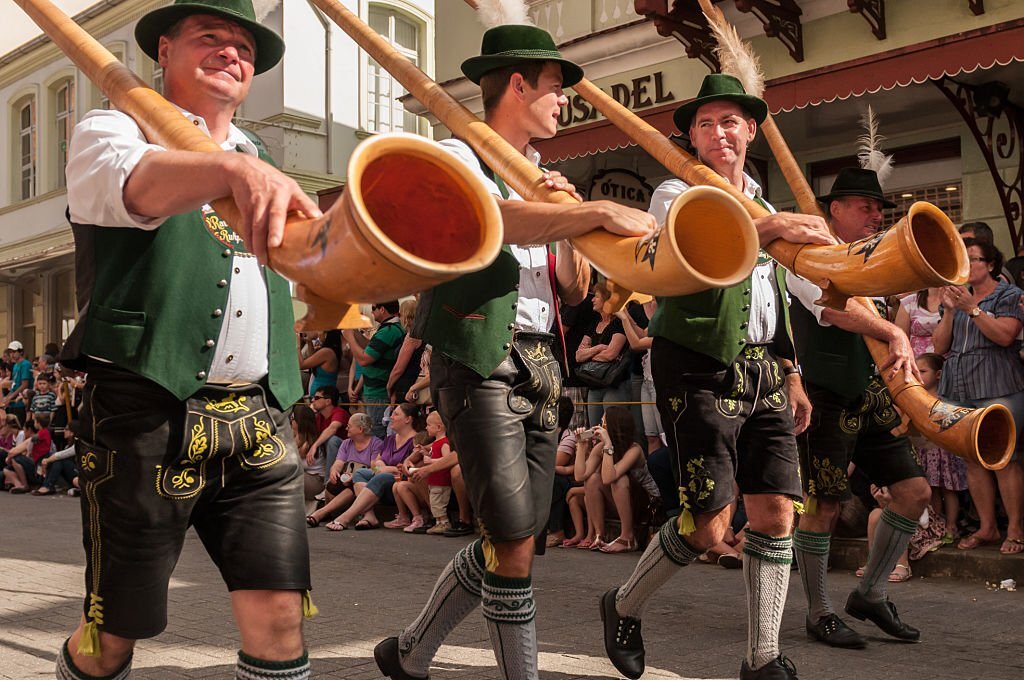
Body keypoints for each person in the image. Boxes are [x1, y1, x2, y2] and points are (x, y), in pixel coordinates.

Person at [374, 22, 657, 680]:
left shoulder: (544, 177)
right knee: (511, 542)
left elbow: (574, 286)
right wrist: (585, 214)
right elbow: (491, 219)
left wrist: (567, 214)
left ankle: (412, 651)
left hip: (542, 363)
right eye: (556, 88)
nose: (564, 101)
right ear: (520, 84)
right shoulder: (457, 154)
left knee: (522, 540)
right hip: (477, 354)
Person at [56, 2, 321, 678]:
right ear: (165, 49)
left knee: (280, 618)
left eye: (243, 47)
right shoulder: (110, 128)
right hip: (145, 411)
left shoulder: (258, 154)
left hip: (259, 416)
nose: (232, 53)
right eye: (212, 38)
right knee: (112, 636)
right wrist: (227, 171)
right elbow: (136, 190)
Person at [599, 74, 834, 680]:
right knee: (709, 526)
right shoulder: (675, 192)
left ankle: (762, 659)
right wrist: (776, 227)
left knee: (778, 511)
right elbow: (694, 256)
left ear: (750, 130)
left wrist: (793, 370)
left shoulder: (762, 197)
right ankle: (623, 604)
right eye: (706, 124)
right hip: (696, 365)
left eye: (729, 121)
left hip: (764, 368)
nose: (718, 132)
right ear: (694, 137)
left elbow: (775, 294)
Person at [787, 167, 930, 649]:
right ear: (836, 209)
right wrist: (892, 331)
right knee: (823, 504)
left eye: (878, 208)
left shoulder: (876, 261)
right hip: (823, 393)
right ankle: (819, 611)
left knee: (914, 491)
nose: (876, 215)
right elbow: (826, 310)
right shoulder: (804, 255)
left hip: (871, 394)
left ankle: (869, 593)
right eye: (865, 206)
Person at [933, 238, 1024, 556]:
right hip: (959, 387)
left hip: (998, 384)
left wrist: (972, 309)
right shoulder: (955, 298)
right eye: (964, 259)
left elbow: (1004, 336)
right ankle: (987, 527)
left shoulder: (1010, 295)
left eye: (973, 259)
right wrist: (949, 312)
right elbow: (940, 347)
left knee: (1004, 460)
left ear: (991, 265)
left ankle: (1015, 528)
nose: (967, 265)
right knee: (972, 460)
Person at [327, 403, 422, 531]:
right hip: (385, 480)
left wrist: (385, 469)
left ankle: (346, 517)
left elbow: (408, 469)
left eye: (396, 414)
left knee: (381, 476)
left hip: (402, 484)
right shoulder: (390, 440)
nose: (391, 417)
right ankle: (369, 515)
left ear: (408, 419)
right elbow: (375, 465)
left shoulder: (417, 440)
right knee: (359, 473)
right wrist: (385, 468)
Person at [576, 407, 659, 553]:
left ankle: (628, 537)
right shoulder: (600, 447)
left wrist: (608, 445)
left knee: (619, 480)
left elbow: (609, 478)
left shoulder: (634, 449)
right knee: (592, 480)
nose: (600, 426)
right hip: (620, 501)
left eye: (603, 422)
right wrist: (581, 447)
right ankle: (599, 535)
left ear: (613, 426)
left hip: (644, 504)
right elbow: (580, 476)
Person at [913, 353, 967, 543]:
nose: (918, 375)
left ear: (938, 375)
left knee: (948, 489)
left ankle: (952, 524)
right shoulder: (914, 398)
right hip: (923, 450)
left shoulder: (945, 400)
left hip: (942, 451)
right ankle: (936, 524)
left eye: (923, 371)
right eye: (915, 371)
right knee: (931, 489)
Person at [306, 413, 383, 527]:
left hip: (365, 481)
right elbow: (338, 463)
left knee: (352, 487)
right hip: (347, 480)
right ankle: (328, 513)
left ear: (360, 429)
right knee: (332, 485)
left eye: (349, 426)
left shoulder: (376, 444)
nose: (346, 428)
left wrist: (360, 473)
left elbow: (375, 467)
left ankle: (320, 513)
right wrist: (334, 471)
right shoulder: (346, 443)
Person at [344, 301, 406, 438]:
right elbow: (370, 348)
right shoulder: (389, 329)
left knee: (376, 436)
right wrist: (354, 332)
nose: (371, 312)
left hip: (379, 393)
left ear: (382, 309)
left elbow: (364, 359)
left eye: (373, 308)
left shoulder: (388, 331)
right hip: (376, 391)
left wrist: (350, 338)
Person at [575, 279, 630, 427]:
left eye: (597, 296)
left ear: (607, 299)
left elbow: (611, 354)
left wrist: (589, 354)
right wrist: (599, 348)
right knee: (594, 429)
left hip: (614, 384)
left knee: (613, 429)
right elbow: (578, 356)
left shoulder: (618, 324)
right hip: (594, 385)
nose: (592, 299)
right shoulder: (594, 324)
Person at [615, 301, 663, 452]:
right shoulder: (658, 319)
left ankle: (665, 473)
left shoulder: (667, 317)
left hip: (659, 382)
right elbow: (643, 333)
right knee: (651, 436)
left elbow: (636, 344)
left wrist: (624, 319)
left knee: (664, 436)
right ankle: (653, 473)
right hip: (647, 381)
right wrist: (627, 315)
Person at [2, 414, 51, 493]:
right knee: (6, 469)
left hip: (39, 461)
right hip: (37, 459)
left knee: (15, 458)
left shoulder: (41, 433)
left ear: (38, 423)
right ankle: (18, 484)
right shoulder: (44, 433)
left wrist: (28, 452)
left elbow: (15, 451)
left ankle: (25, 485)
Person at [34, 420, 81, 496]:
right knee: (54, 461)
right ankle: (46, 484)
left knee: (59, 460)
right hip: (72, 476)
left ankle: (47, 486)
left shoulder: (78, 446)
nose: (64, 431)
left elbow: (60, 455)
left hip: (79, 475)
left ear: (72, 433)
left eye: (66, 429)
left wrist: (47, 460)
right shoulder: (67, 446)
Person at [895, 288, 943, 356]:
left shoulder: (955, 303)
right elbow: (900, 341)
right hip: (913, 360)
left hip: (946, 361)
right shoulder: (909, 301)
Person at [300, 330, 342, 399]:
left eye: (320, 331)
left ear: (326, 334)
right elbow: (313, 362)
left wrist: (297, 345)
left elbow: (302, 365)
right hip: (322, 394)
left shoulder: (326, 352)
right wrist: (309, 342)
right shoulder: (331, 351)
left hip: (322, 396)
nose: (318, 333)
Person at [2, 341, 32, 426]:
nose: (12, 354)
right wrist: (7, 397)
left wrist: (11, 396)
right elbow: (15, 383)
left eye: (14, 352)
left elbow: (24, 384)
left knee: (19, 426)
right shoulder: (15, 365)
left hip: (21, 401)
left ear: (21, 352)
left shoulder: (25, 364)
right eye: (10, 352)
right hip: (13, 402)